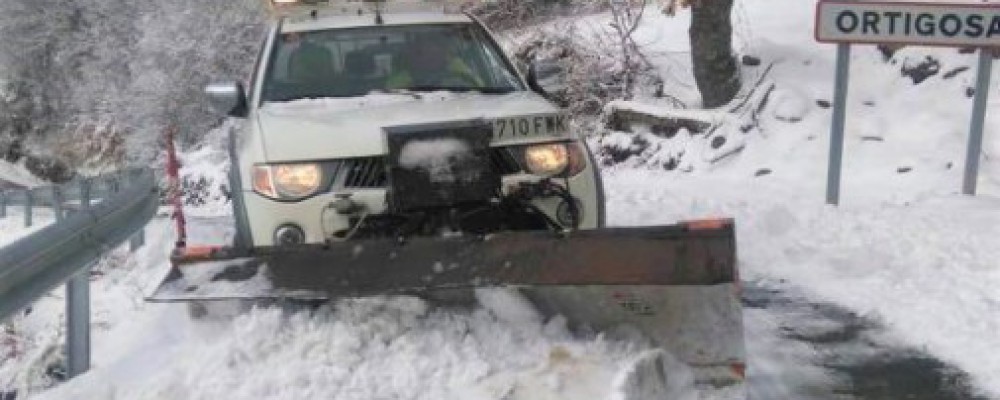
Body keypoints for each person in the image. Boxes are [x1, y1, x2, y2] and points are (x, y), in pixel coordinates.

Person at [386, 36, 483, 89]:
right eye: (423, 53)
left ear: (443, 52)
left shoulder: (457, 68)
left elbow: (479, 88)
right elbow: (388, 96)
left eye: (434, 52)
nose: (429, 57)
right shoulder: (402, 77)